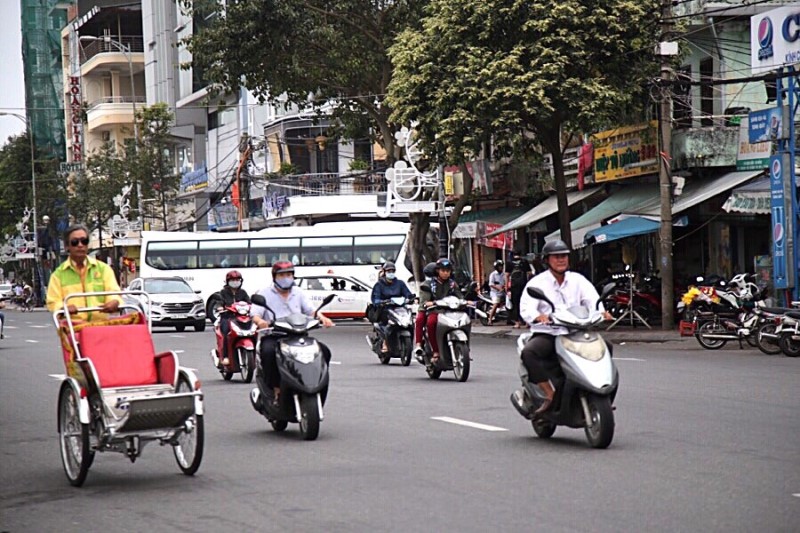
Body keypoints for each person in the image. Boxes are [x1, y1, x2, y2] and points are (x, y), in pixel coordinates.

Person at [512, 239, 612, 416]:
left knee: (606, 347)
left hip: (576, 332)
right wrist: (538, 316)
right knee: (530, 352)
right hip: (550, 333)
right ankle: (549, 393)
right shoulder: (538, 283)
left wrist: (602, 312)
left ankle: (599, 388)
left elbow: (592, 300)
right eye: (556, 257)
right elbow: (526, 307)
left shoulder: (578, 280)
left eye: (564, 256)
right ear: (547, 260)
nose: (561, 260)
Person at [250, 261, 334, 407]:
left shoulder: (298, 292)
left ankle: (317, 383)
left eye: (289, 274)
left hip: (298, 334)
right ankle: (276, 389)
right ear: (274, 276)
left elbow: (310, 311)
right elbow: (255, 315)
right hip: (274, 335)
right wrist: (261, 322)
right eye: (282, 275)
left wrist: (322, 318)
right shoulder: (264, 293)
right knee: (268, 352)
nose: (286, 278)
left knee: (324, 351)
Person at [46, 224, 122, 321]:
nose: (80, 245)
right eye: (74, 242)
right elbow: (53, 301)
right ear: (66, 246)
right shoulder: (58, 275)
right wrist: (63, 308)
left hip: (101, 326)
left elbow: (113, 291)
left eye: (84, 241)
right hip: (73, 329)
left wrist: (114, 301)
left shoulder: (103, 269)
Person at [416, 258, 463, 364]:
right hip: (435, 311)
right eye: (443, 271)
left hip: (450, 311)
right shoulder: (428, 284)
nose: (446, 273)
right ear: (438, 271)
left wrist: (465, 301)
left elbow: (459, 296)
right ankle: (435, 351)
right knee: (431, 323)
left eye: (448, 271)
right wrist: (430, 303)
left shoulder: (452, 284)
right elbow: (425, 301)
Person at [370, 261, 414, 353]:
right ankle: (385, 343)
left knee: (410, 322)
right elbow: (375, 299)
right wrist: (382, 302)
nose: (391, 273)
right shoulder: (379, 285)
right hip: (386, 309)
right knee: (388, 325)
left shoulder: (400, 283)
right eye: (389, 271)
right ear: (384, 272)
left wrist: (411, 298)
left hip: (400, 309)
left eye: (392, 271)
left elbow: (408, 294)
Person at [217, 270, 250, 366]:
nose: (235, 282)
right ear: (228, 281)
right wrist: (220, 307)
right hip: (227, 317)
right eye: (232, 280)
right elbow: (219, 302)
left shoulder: (243, 292)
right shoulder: (223, 292)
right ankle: (226, 356)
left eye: (237, 280)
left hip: (241, 317)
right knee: (227, 333)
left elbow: (249, 302)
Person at [508, 260, 527, 328]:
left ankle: (517, 323)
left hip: (514, 287)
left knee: (515, 305)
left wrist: (507, 287)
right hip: (523, 287)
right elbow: (529, 273)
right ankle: (527, 323)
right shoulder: (524, 262)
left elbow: (506, 275)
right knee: (525, 304)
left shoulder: (509, 262)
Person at [486, 259, 506, 325]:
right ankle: (490, 319)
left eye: (502, 266)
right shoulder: (493, 274)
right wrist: (498, 288)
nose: (501, 267)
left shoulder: (503, 274)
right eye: (500, 266)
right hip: (495, 293)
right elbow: (491, 284)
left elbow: (505, 282)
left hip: (503, 292)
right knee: (496, 303)